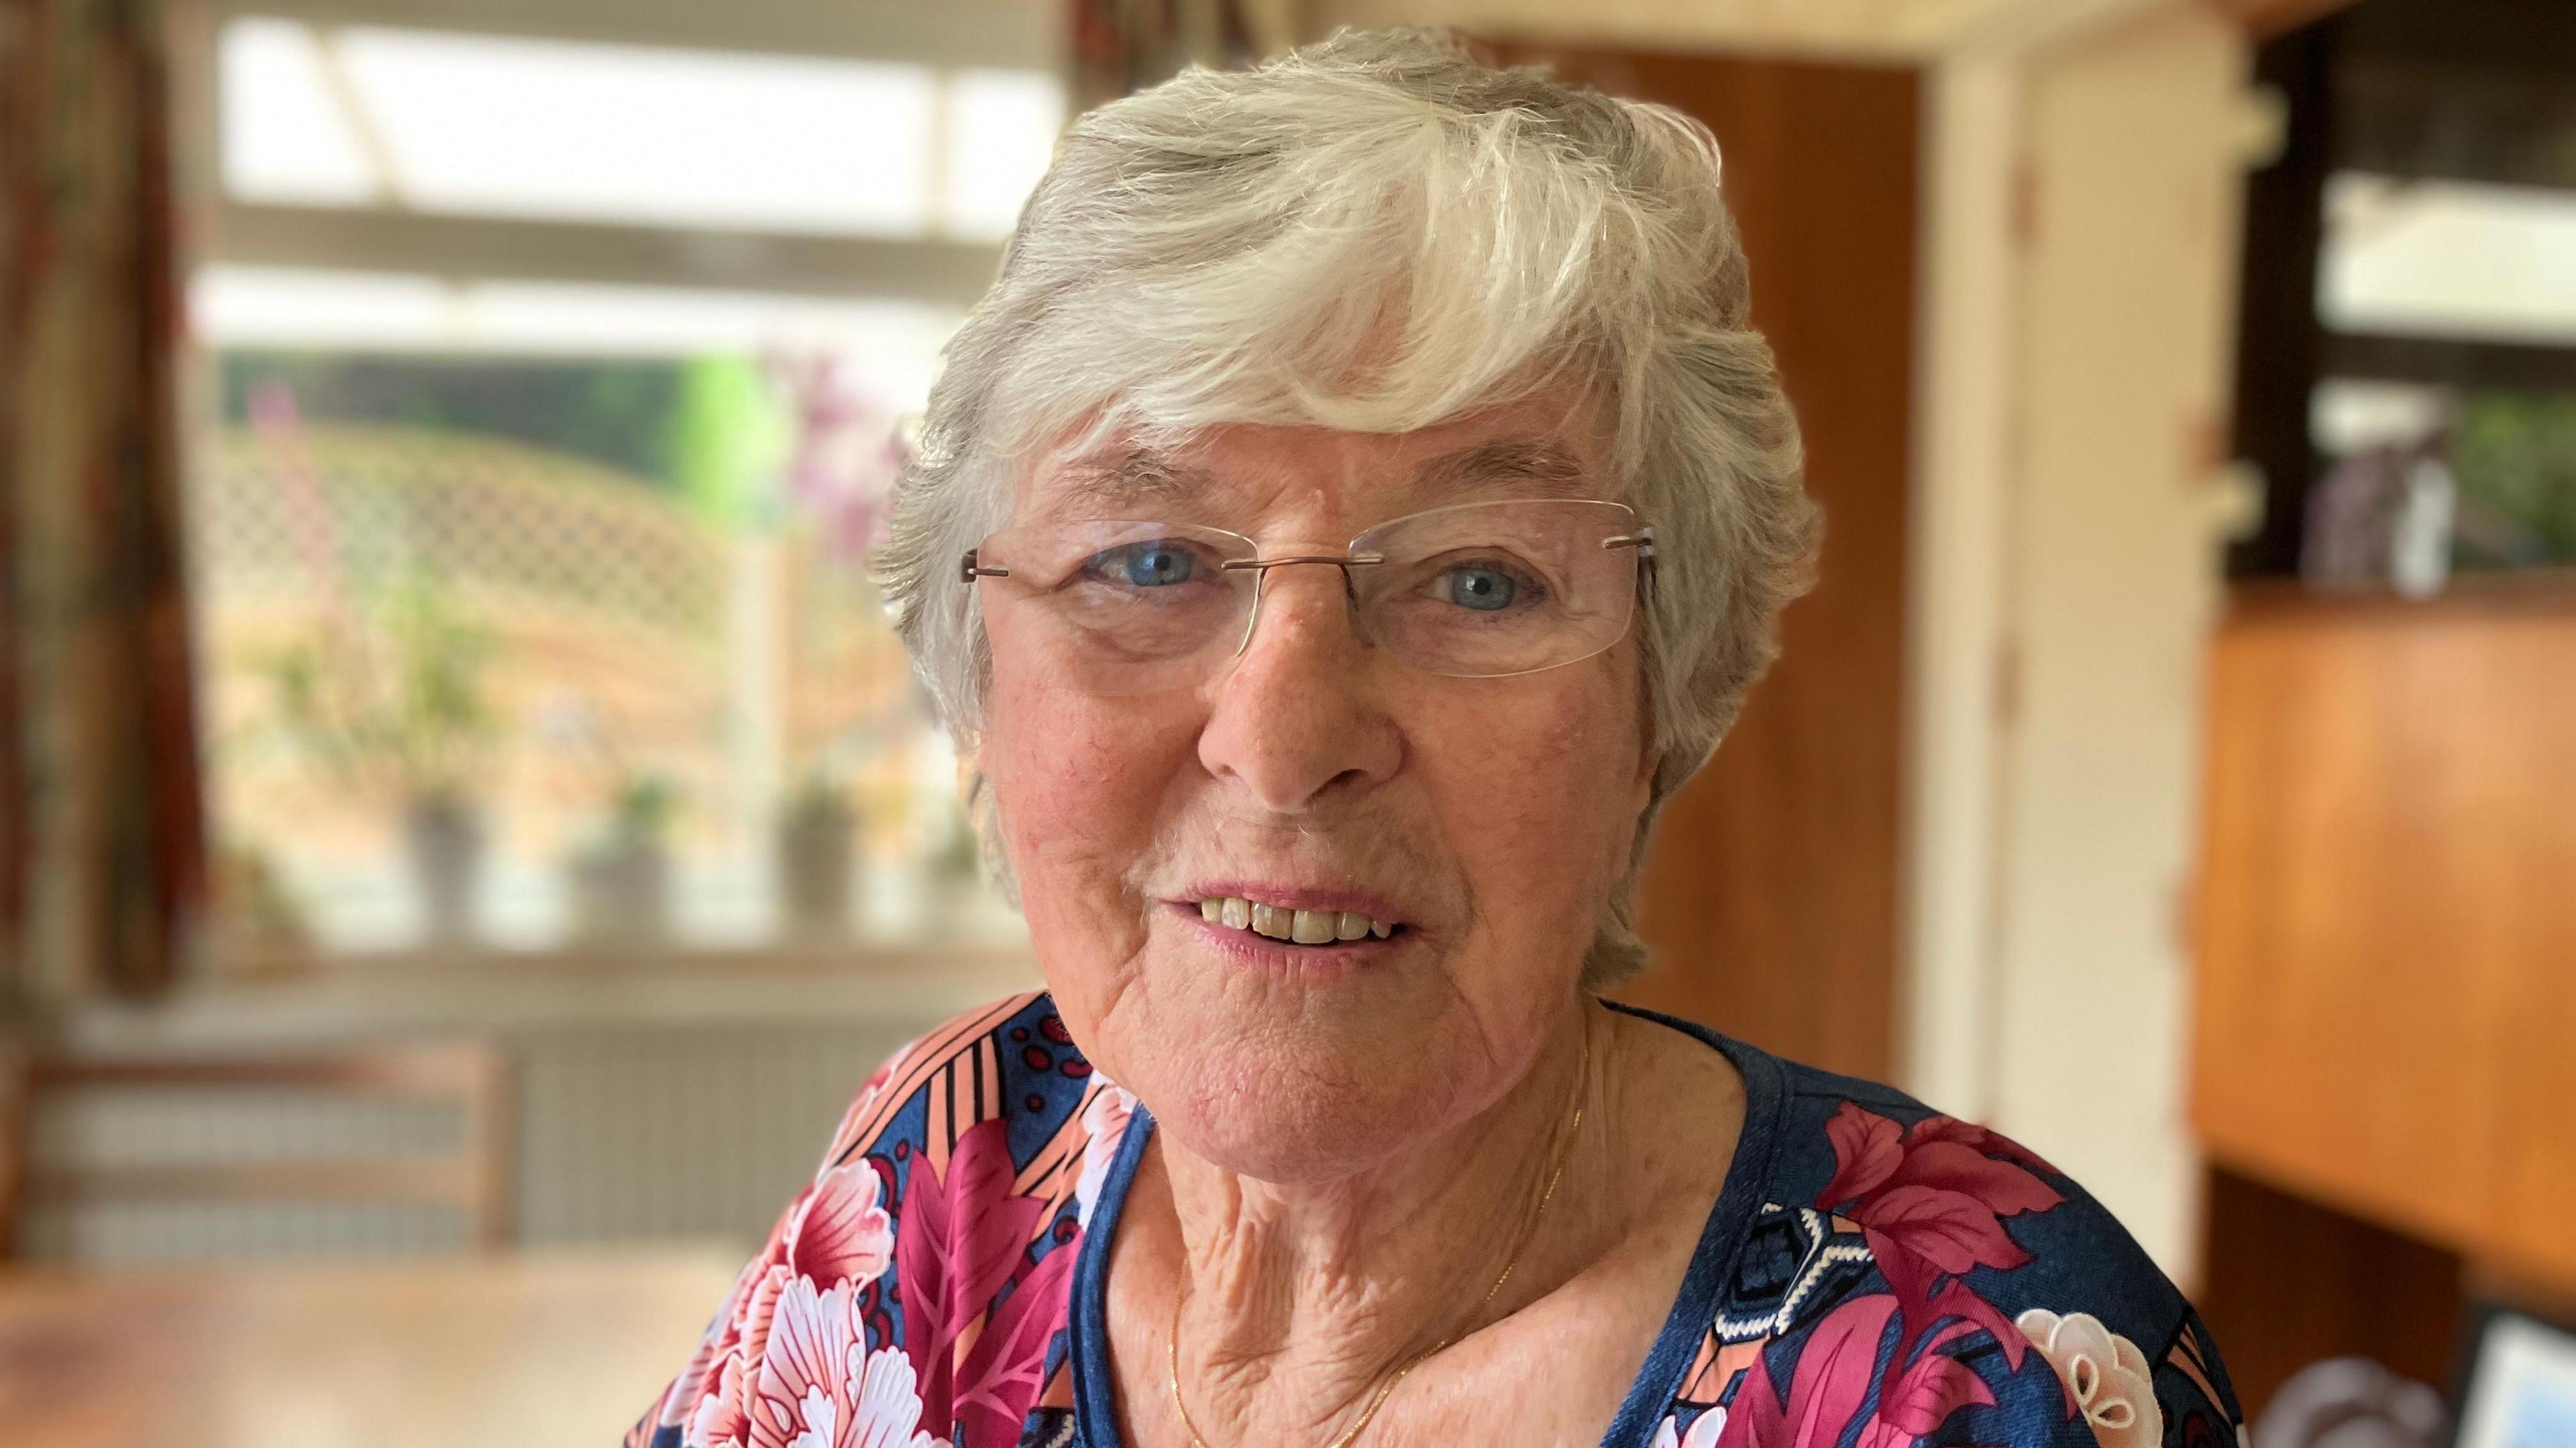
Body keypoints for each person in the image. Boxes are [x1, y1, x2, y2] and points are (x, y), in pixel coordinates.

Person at [628, 29, 2243, 1448]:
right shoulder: (963, 1154)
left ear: (1657, 707)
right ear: (977, 673)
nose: (1283, 739)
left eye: (1479, 578)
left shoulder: (1977, 1378)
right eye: (1148, 561)